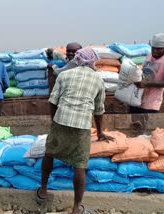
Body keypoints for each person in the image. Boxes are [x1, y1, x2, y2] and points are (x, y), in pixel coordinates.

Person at [36, 48, 114, 214]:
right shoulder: (98, 80)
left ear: (77, 59)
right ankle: (77, 207)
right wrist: (100, 132)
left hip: (60, 120)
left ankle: (43, 190)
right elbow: (99, 111)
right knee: (79, 165)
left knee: (49, 154)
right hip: (82, 125)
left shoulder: (64, 75)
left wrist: (54, 120)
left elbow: (53, 101)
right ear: (92, 62)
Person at [131, 33, 164, 113]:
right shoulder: (149, 55)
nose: (155, 51)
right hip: (138, 99)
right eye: (153, 48)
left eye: (158, 49)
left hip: (152, 102)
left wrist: (146, 84)